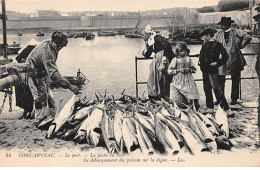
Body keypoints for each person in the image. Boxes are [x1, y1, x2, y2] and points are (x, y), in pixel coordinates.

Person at [26, 31, 80, 126]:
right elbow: (54, 74)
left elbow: (51, 70)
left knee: (49, 98)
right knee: (40, 97)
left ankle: (50, 116)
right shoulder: (48, 53)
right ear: (55, 43)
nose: (60, 49)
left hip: (42, 73)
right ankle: (39, 120)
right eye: (60, 46)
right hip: (34, 74)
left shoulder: (51, 45)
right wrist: (70, 86)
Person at [214, 17, 252, 105]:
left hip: (235, 58)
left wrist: (241, 45)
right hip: (222, 60)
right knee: (220, 80)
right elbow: (213, 42)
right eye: (222, 25)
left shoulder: (236, 32)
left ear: (228, 25)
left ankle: (234, 99)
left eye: (224, 25)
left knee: (235, 79)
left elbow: (248, 37)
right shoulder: (218, 34)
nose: (222, 27)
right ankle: (221, 99)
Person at [199, 28, 234, 117]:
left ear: (208, 35)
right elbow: (201, 56)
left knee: (216, 89)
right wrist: (200, 62)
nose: (202, 37)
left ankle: (226, 109)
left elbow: (225, 56)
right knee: (207, 88)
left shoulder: (218, 44)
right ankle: (210, 107)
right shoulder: (204, 45)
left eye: (204, 36)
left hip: (213, 70)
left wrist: (217, 63)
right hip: (204, 70)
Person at [142, 24, 175, 100]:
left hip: (164, 59)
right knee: (153, 77)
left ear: (148, 34)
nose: (142, 37)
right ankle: (156, 95)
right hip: (157, 60)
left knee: (163, 78)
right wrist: (145, 44)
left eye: (143, 35)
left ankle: (164, 96)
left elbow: (168, 46)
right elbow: (147, 55)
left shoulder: (157, 38)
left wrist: (164, 59)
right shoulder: (150, 41)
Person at [168, 42, 200, 111]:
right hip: (178, 79)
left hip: (188, 79)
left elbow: (194, 70)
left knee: (193, 92)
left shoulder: (188, 59)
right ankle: (180, 106)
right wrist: (178, 70)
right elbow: (169, 71)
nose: (182, 53)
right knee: (179, 94)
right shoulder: (175, 60)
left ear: (186, 51)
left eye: (183, 51)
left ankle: (195, 108)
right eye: (180, 51)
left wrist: (189, 70)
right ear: (177, 52)